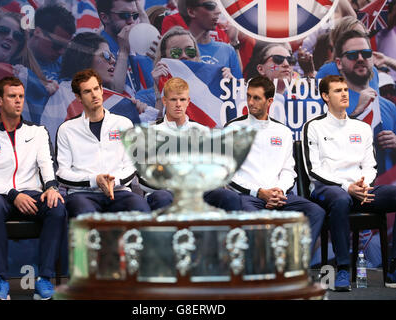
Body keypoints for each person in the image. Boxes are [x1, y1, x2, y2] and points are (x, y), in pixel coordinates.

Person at [0, 76, 66, 300]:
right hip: (0, 196)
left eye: (21, 96)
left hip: (32, 193)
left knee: (57, 206)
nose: (18, 101)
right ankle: (1, 282)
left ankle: (44, 279)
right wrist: (13, 195)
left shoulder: (38, 132)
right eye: (12, 96)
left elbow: (46, 165)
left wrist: (51, 187)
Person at [302, 75, 396, 291]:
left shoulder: (361, 128)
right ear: (325, 96)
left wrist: (363, 185)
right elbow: (312, 170)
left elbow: (370, 165)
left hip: (361, 189)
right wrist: (348, 187)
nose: (344, 93)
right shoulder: (314, 126)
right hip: (327, 190)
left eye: (345, 89)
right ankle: (343, 268)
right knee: (341, 198)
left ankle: (393, 267)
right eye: (337, 91)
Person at [220, 75, 325, 254]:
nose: (250, 102)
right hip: (248, 197)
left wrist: (279, 192)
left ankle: (294, 265)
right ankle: (263, 270)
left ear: (269, 101)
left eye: (256, 98)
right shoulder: (232, 128)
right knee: (253, 219)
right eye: (248, 96)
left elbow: (288, 170)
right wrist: (259, 193)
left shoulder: (282, 131)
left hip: (280, 195)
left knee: (316, 212)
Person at [56, 68, 151, 217]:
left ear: (101, 90)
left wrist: (115, 181)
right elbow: (62, 174)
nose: (94, 94)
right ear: (78, 97)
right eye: (87, 91)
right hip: (82, 195)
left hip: (119, 192)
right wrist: (94, 180)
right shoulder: (67, 129)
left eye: (96, 88)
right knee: (86, 216)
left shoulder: (123, 123)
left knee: (141, 209)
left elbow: (132, 165)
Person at [143, 77, 241, 211]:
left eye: (182, 99)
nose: (178, 104)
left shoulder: (203, 131)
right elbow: (142, 176)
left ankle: (230, 233)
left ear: (188, 101)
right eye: (173, 99)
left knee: (230, 197)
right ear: (165, 101)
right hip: (165, 191)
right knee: (162, 198)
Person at [40, 32, 155, 143]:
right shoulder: (54, 92)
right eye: (106, 55)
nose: (113, 61)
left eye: (112, 56)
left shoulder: (119, 103)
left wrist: (140, 114)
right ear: (84, 57)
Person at [334, 30, 396, 175]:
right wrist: (357, 113)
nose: (360, 59)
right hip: (351, 190)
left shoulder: (389, 107)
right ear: (339, 63)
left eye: (366, 54)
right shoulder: (329, 104)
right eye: (352, 55)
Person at [95, 0, 154, 95]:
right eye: (124, 15)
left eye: (135, 15)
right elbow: (113, 94)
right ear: (105, 17)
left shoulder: (140, 43)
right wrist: (124, 52)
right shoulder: (95, 49)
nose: (131, 21)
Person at [180, 0, 242, 78]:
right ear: (191, 12)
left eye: (219, 6)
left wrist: (234, 42)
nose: (218, 11)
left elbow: (239, 82)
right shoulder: (178, 49)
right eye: (210, 6)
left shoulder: (227, 49)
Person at [27, 5, 76, 83]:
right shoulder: (11, 56)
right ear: (37, 32)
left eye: (66, 46)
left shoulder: (65, 66)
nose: (62, 52)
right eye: (58, 45)